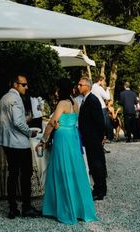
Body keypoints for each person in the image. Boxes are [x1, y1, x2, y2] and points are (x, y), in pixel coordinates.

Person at [38, 77, 97, 225]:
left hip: (63, 137)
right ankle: (78, 208)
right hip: (72, 136)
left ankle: (62, 208)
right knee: (75, 170)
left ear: (61, 89)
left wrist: (44, 140)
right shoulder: (75, 103)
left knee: (61, 170)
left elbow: (53, 122)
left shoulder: (62, 103)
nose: (56, 92)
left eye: (57, 89)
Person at [0, 74, 39, 219]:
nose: (27, 87)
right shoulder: (15, 98)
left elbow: (2, 120)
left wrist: (23, 120)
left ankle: (12, 207)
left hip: (7, 142)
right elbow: (17, 122)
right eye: (24, 84)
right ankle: (26, 207)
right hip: (19, 143)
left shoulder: (3, 98)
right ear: (15, 84)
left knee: (13, 174)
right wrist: (29, 132)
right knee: (26, 174)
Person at [77, 77, 107, 201]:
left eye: (80, 84)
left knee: (97, 163)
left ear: (87, 86)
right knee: (93, 163)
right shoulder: (86, 99)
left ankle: (100, 190)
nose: (78, 86)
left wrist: (101, 137)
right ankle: (98, 188)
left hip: (94, 137)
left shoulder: (92, 100)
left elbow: (99, 120)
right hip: (89, 137)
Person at [91, 75, 113, 142]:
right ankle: (109, 137)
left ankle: (100, 137)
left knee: (97, 123)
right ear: (100, 81)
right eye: (103, 80)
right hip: (102, 107)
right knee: (106, 123)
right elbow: (107, 97)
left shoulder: (92, 87)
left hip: (94, 107)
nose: (104, 82)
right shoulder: (99, 88)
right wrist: (107, 90)